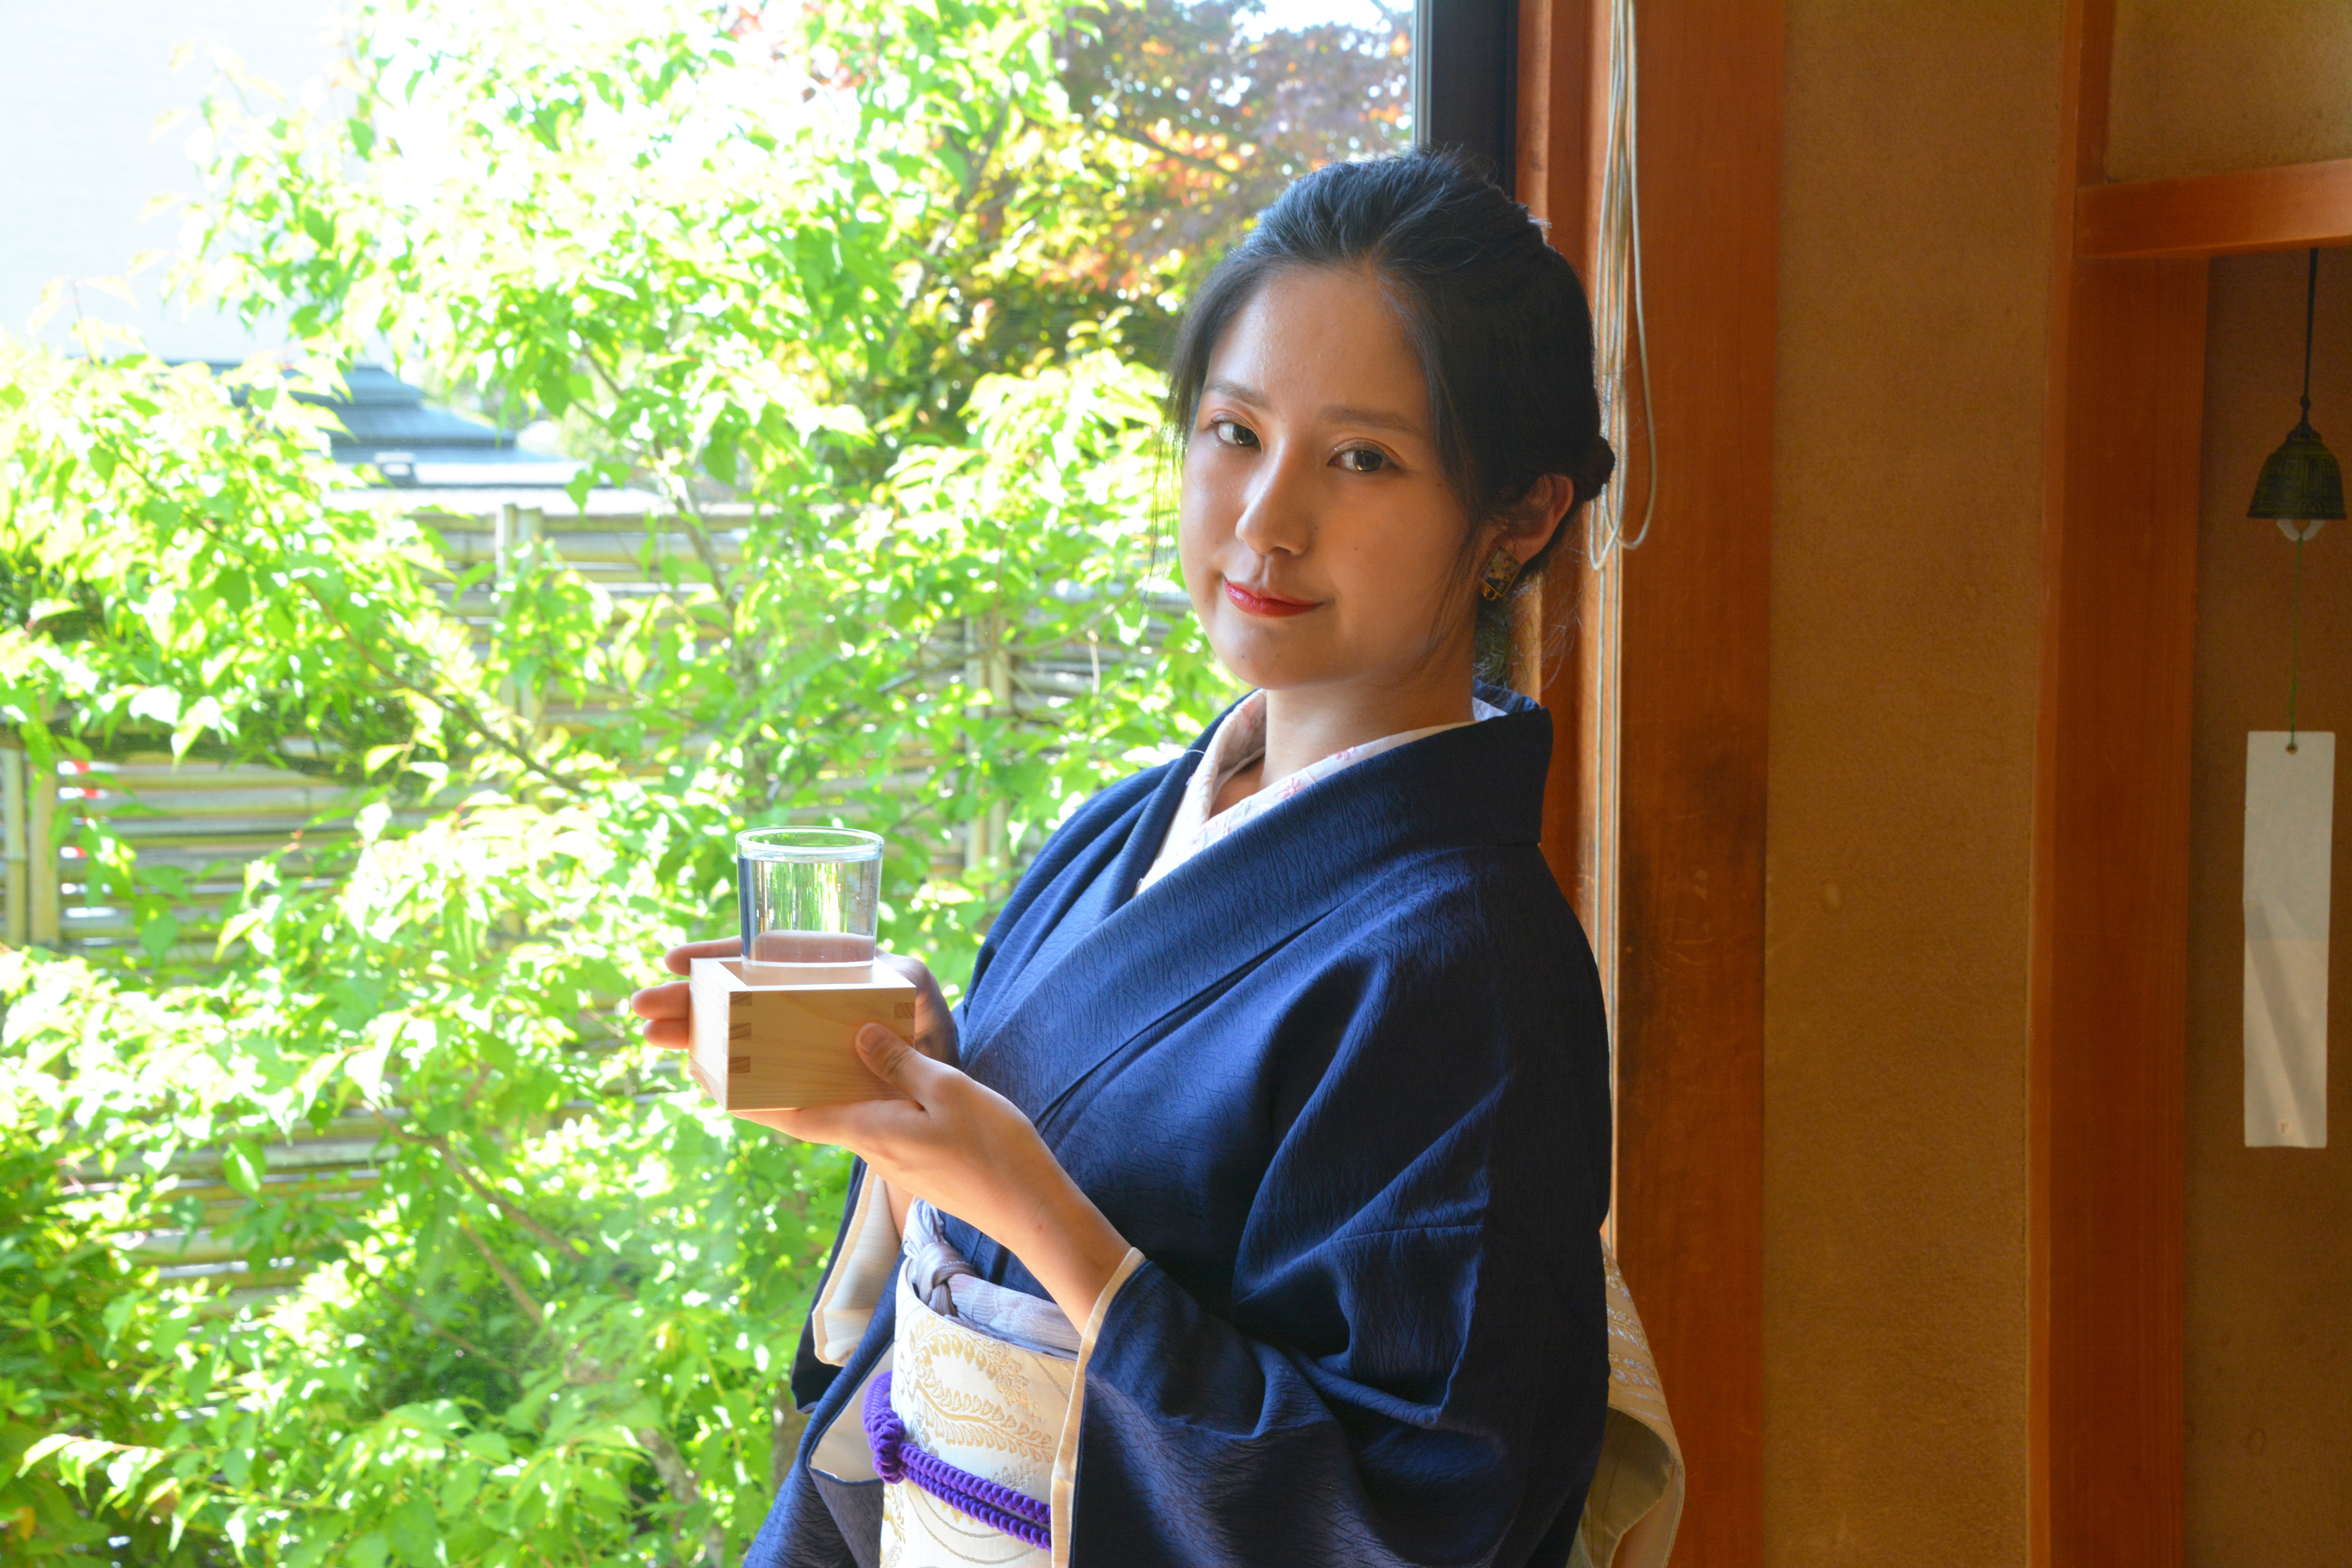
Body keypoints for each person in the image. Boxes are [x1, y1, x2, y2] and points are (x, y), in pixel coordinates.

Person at [632, 149, 1673, 1568]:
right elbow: (927, 1356)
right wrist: (914, 1100)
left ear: (1521, 517)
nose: (1265, 521)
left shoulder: (1469, 968)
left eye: (1362, 460)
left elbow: (1422, 1528)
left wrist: (1036, 1211)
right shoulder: (1116, 832)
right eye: (1235, 432)